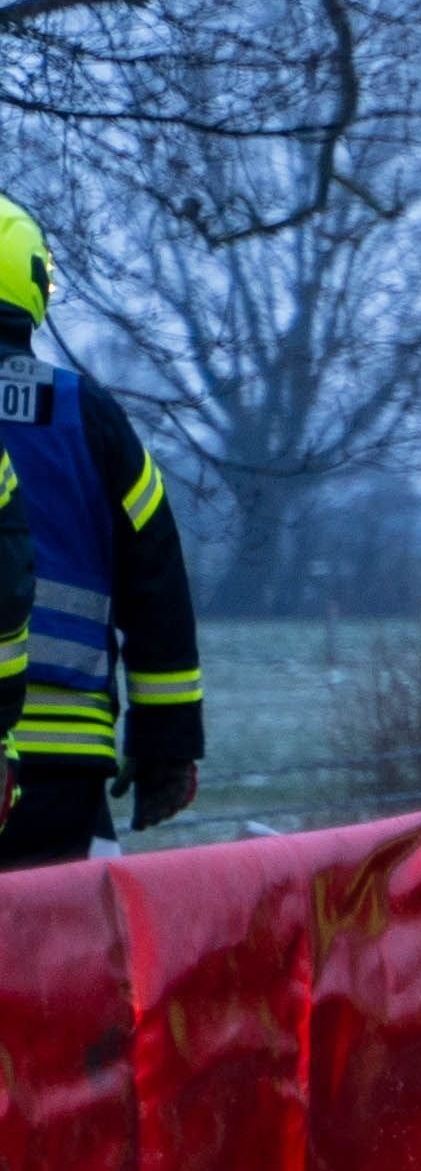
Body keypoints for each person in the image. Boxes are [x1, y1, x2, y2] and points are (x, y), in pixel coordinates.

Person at [0, 195, 203, 871]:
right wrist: (168, 747)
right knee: (67, 968)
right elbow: (158, 582)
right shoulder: (90, 417)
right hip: (67, 769)